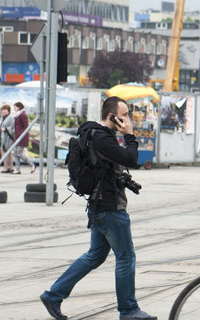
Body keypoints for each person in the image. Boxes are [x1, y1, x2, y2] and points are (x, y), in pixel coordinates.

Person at [40, 96, 157, 320]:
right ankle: (129, 310)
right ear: (111, 115)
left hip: (99, 206)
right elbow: (132, 158)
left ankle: (53, 295)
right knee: (125, 257)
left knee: (95, 255)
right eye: (123, 115)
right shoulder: (103, 138)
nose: (127, 119)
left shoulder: (95, 134)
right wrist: (130, 135)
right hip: (110, 208)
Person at [12, 101, 37, 174]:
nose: (14, 108)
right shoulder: (17, 115)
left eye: (15, 107)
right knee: (15, 154)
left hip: (22, 138)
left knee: (19, 154)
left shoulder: (23, 115)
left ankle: (32, 164)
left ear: (19, 107)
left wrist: (20, 134)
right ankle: (17, 169)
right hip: (17, 137)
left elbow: (26, 126)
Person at [0, 104, 15, 174]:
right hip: (5, 138)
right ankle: (10, 167)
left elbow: (12, 128)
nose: (3, 111)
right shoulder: (5, 117)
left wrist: (6, 129)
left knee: (4, 152)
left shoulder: (10, 118)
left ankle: (6, 167)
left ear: (8, 111)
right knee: (8, 153)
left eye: (5, 110)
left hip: (8, 138)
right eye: (2, 110)